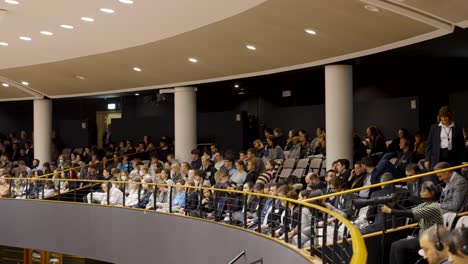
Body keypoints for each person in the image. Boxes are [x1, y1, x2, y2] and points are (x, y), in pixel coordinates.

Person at [381, 181, 444, 264]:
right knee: (394, 245)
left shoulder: (434, 206)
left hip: (430, 239)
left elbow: (411, 213)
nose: (421, 192)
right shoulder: (425, 204)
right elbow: (409, 212)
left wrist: (391, 211)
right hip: (422, 236)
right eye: (421, 190)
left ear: (432, 192)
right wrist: (396, 205)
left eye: (424, 190)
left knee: (398, 246)